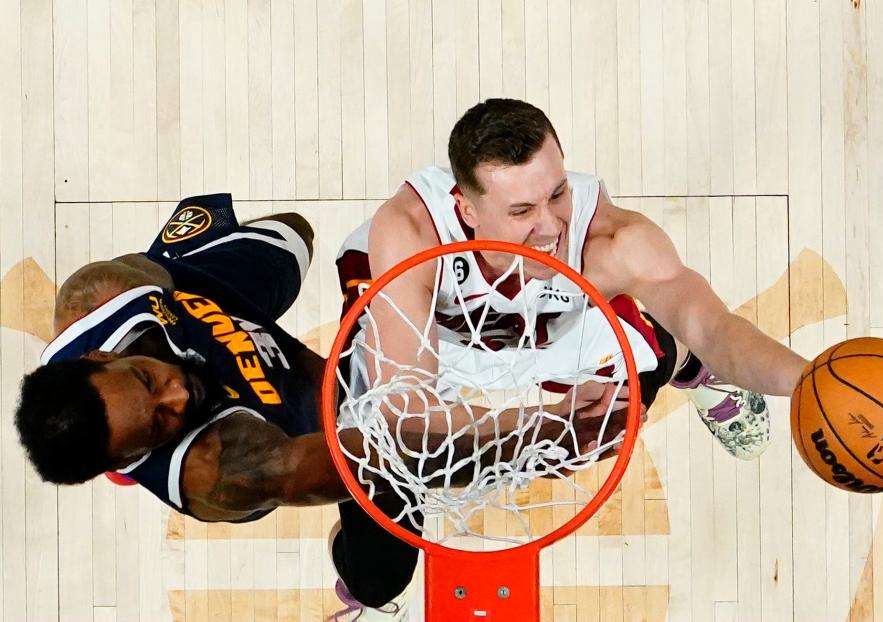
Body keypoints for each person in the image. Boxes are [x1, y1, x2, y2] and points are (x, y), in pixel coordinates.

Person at [15, 193, 625, 621]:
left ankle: (206, 247)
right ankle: (360, 594)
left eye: (149, 379)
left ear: (98, 357)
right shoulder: (221, 471)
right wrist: (535, 428)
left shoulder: (101, 297)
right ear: (131, 458)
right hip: (312, 422)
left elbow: (148, 285)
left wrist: (188, 274)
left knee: (293, 233)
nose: (178, 393)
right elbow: (391, 451)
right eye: (158, 421)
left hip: (211, 303)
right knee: (382, 572)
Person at [334, 98, 810, 615]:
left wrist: (811, 380)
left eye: (557, 193)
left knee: (608, 417)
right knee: (376, 572)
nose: (548, 226)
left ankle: (689, 366)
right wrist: (542, 420)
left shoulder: (611, 239)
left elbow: (713, 325)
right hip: (424, 343)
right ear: (467, 210)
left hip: (552, 334)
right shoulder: (409, 233)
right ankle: (362, 579)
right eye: (520, 211)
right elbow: (404, 412)